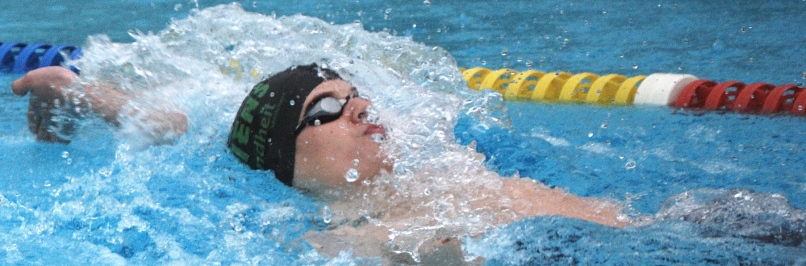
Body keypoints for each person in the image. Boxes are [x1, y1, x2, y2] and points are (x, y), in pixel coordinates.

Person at [11, 64, 632, 263]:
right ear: (289, 161)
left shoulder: (451, 167)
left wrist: (85, 93)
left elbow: (186, 129)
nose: (359, 107)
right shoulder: (350, 244)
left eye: (354, 94)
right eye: (326, 110)